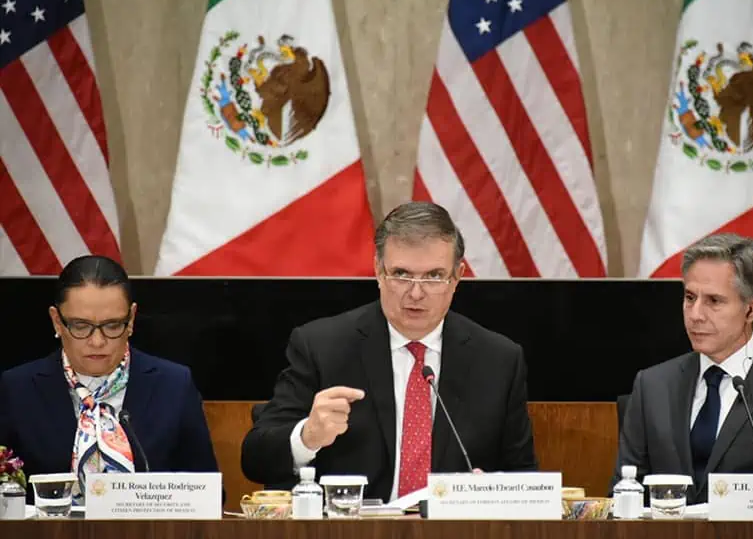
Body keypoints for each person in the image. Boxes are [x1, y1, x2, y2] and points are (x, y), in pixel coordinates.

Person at [242, 201, 537, 501]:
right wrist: (308, 437)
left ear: (457, 276)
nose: (416, 293)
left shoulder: (498, 360)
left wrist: (495, 490)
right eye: (401, 274)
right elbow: (255, 458)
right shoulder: (321, 346)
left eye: (434, 276)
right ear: (378, 271)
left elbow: (524, 477)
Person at [613, 233, 753, 504]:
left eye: (714, 301)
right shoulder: (653, 384)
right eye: (690, 297)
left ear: (751, 309)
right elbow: (624, 493)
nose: (695, 314)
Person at [0, 255, 219, 503]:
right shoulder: (18, 389)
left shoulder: (173, 385)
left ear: (131, 319)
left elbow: (208, 494)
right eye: (81, 326)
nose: (97, 341)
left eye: (112, 325)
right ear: (57, 321)